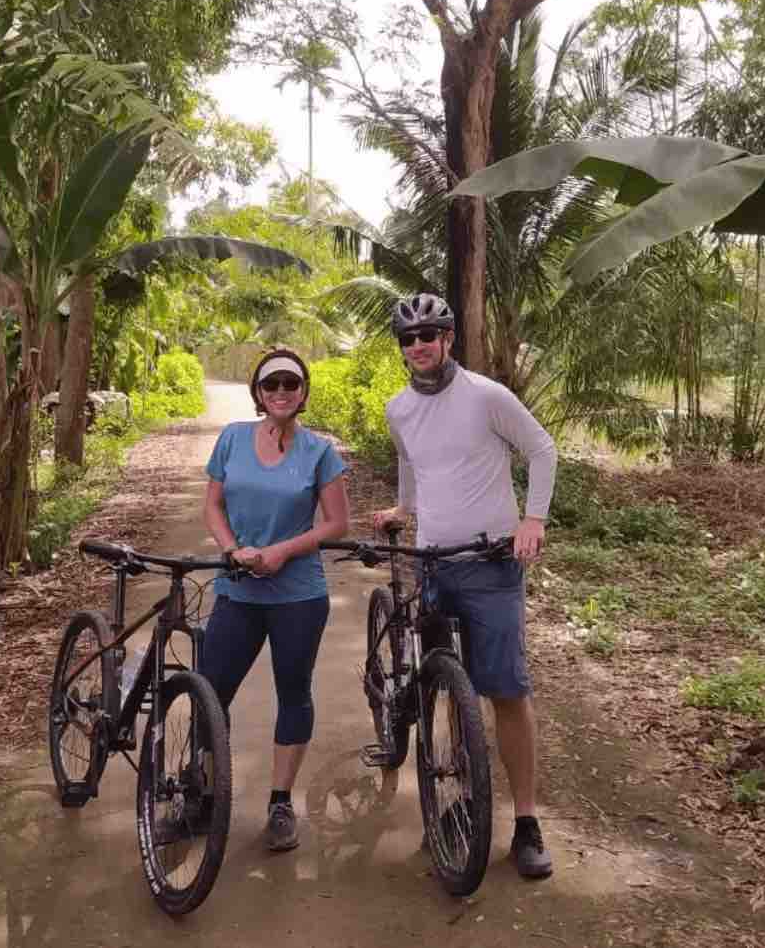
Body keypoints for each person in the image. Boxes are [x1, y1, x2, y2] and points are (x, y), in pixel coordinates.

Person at [372, 293, 557, 880]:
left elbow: (542, 448)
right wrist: (403, 507)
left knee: (505, 689)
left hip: (490, 561)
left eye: (430, 333)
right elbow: (411, 464)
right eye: (409, 338)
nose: (420, 344)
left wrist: (534, 518)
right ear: (401, 349)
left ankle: (525, 821)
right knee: (447, 685)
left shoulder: (485, 396)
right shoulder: (398, 408)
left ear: (449, 337)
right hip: (432, 561)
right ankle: (464, 797)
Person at [202, 348, 350, 851]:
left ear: (303, 391)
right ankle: (198, 791)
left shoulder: (319, 452)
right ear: (258, 393)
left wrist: (283, 550)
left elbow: (336, 523)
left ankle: (280, 802)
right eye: (272, 385)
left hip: (298, 595)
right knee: (210, 689)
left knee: (294, 691)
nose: (281, 392)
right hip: (237, 590)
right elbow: (213, 505)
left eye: (291, 384)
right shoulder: (231, 439)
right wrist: (230, 550)